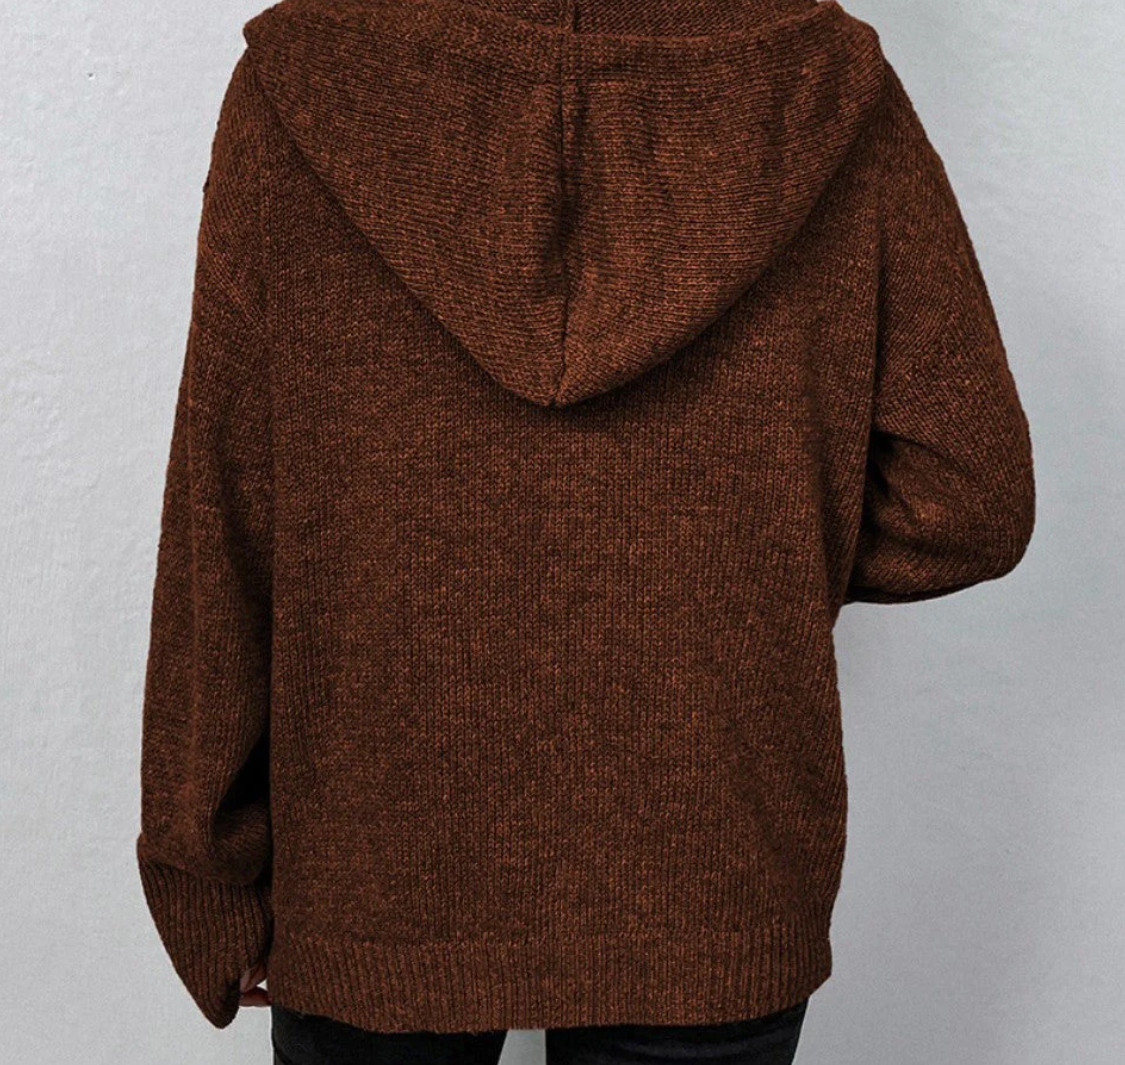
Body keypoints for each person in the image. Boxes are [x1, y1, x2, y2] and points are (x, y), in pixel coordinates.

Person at [134, 1, 1036, 1062]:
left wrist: (203, 863)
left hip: (373, 854)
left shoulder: (309, 81)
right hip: (712, 861)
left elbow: (224, 511)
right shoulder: (824, 86)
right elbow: (968, 496)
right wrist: (734, 551)